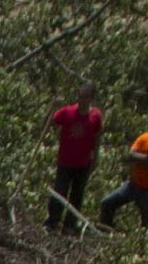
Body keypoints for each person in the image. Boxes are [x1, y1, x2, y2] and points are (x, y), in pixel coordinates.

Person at [97, 110, 148, 229]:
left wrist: (142, 160)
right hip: (134, 184)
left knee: (147, 219)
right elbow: (131, 155)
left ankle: (143, 243)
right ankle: (105, 229)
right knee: (107, 203)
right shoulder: (144, 137)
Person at [43, 95, 104, 233]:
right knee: (60, 191)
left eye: (86, 98)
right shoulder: (66, 112)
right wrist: (52, 107)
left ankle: (69, 225)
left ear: (90, 99)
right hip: (65, 161)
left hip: (83, 163)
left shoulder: (95, 115)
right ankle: (52, 221)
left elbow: (97, 137)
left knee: (77, 195)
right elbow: (47, 123)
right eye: (81, 97)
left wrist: (96, 157)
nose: (82, 101)